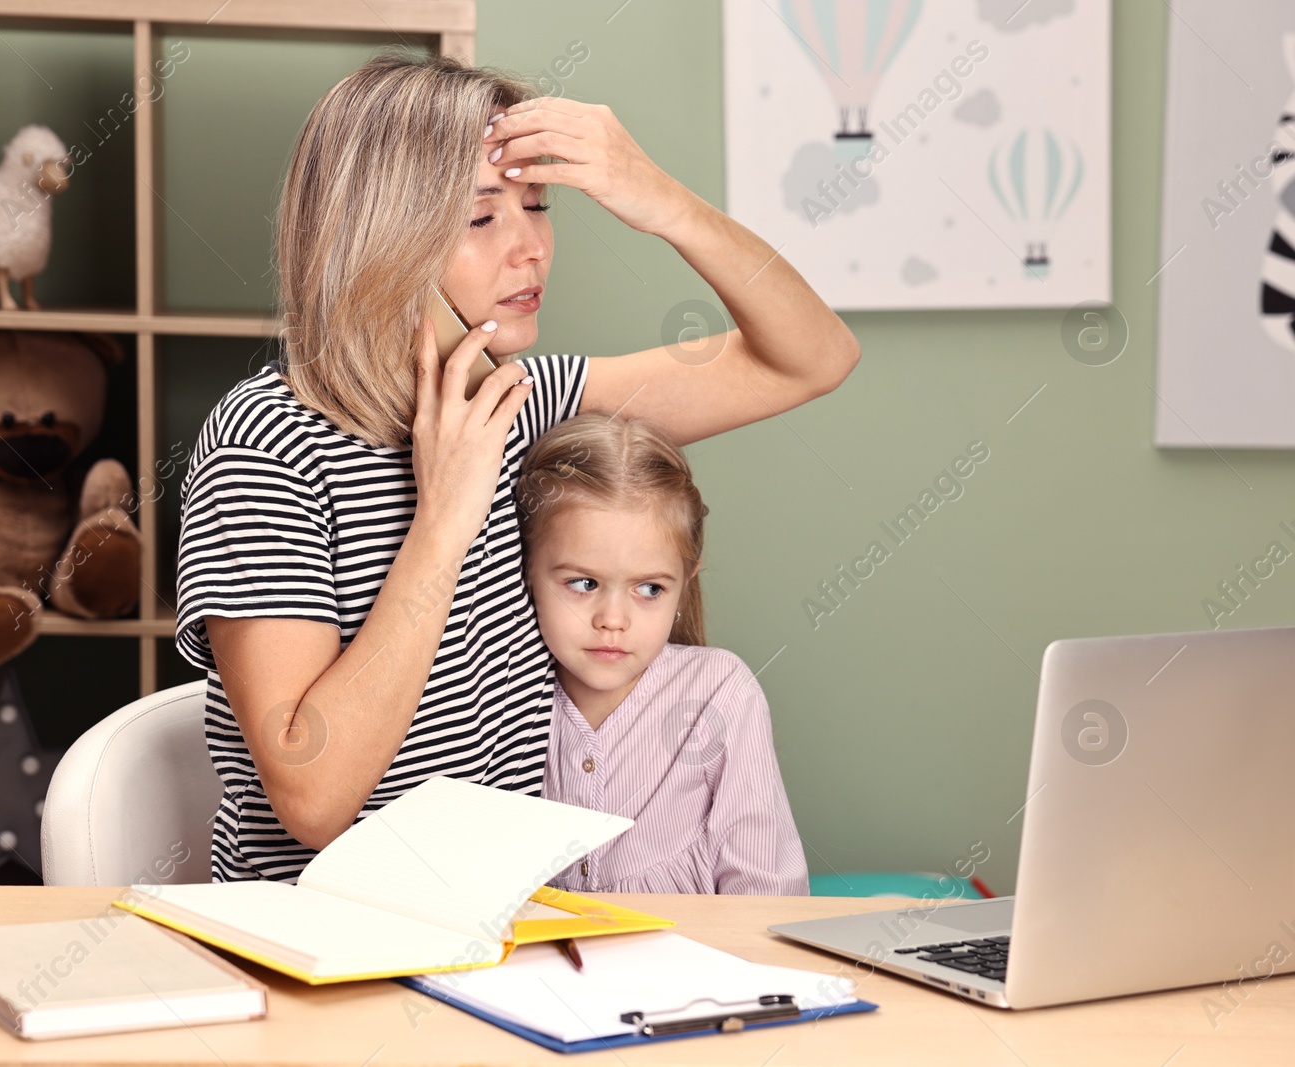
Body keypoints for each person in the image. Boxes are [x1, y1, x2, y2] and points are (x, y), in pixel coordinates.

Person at [174, 52, 859, 882]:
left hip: (498, 939)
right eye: (481, 218)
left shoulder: (521, 400)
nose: (532, 247)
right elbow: (315, 800)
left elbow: (813, 357)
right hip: (325, 952)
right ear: (379, 242)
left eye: (537, 206)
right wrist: (444, 521)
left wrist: (661, 200)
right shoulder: (267, 442)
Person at [517, 413, 807, 894]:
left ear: (684, 584)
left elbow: (766, 891)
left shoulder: (720, 693)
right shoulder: (501, 693)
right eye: (583, 583)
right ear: (526, 570)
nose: (613, 619)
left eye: (649, 588)